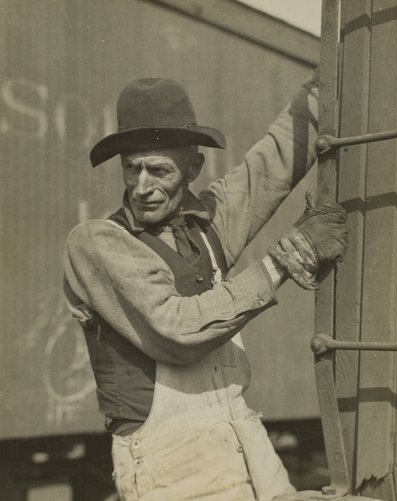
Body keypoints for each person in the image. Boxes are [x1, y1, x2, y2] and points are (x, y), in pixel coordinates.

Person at [63, 75, 348, 500]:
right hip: (169, 466)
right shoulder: (97, 243)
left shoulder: (207, 224)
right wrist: (286, 259)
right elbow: (176, 330)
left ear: (193, 169)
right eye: (132, 168)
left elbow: (275, 160)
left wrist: (329, 77)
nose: (142, 187)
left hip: (246, 443)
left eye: (159, 170)